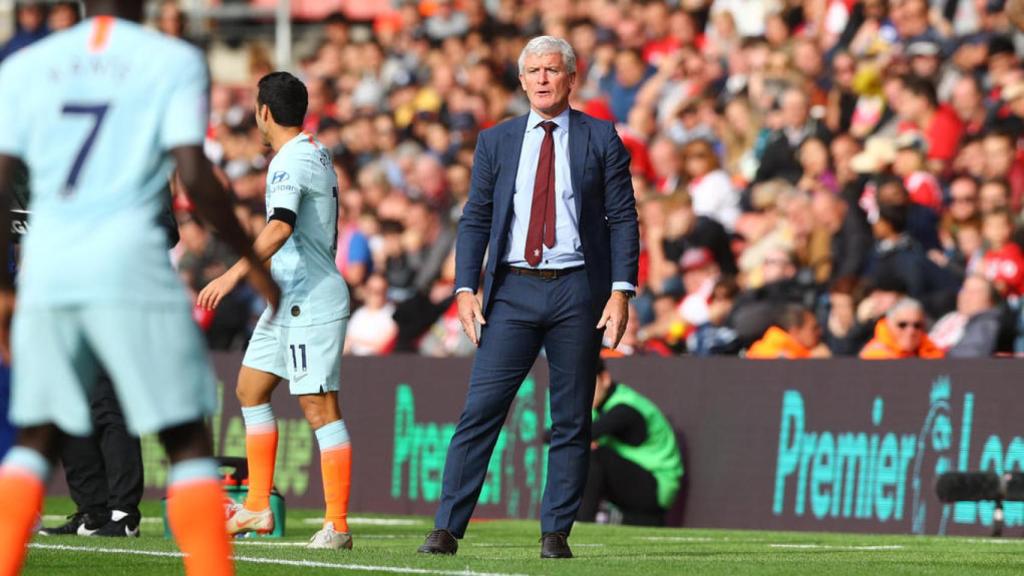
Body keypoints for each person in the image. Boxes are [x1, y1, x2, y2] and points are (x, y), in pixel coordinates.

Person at [0, 2, 281, 575]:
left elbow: (3, 176)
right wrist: (251, 258)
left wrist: (5, 287)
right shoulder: (171, 58)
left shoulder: (28, 64)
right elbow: (194, 175)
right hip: (129, 258)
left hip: (50, 264)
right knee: (186, 437)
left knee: (35, 435)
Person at [418, 36, 639, 559]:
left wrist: (621, 291)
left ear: (571, 79)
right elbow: (475, 219)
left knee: (571, 418)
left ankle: (555, 533)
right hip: (512, 291)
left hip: (577, 290)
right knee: (481, 410)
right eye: (533, 70)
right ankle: (447, 528)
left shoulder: (602, 136)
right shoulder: (496, 140)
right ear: (521, 81)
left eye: (552, 70)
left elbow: (623, 218)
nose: (542, 78)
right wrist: (465, 287)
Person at [198, 72, 354, 550]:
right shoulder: (312, 151)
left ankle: (337, 525)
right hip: (288, 297)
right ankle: (258, 507)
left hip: (312, 299)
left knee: (319, 408)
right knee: (250, 388)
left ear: (264, 111)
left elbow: (280, 227)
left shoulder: (292, 160)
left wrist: (230, 275)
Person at [578, 359, 683, 527]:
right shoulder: (600, 407)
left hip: (656, 489)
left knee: (592, 455)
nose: (584, 392)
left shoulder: (624, 408)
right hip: (640, 492)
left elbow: (575, 435)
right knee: (580, 450)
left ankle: (582, 523)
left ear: (605, 379)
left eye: (589, 384)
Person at [860, 297, 944, 359]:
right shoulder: (873, 355)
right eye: (902, 325)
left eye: (917, 325)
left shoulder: (933, 352)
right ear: (888, 324)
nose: (911, 331)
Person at [746, 305, 830, 359]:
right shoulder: (772, 354)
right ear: (795, 332)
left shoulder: (806, 353)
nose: (820, 332)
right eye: (814, 328)